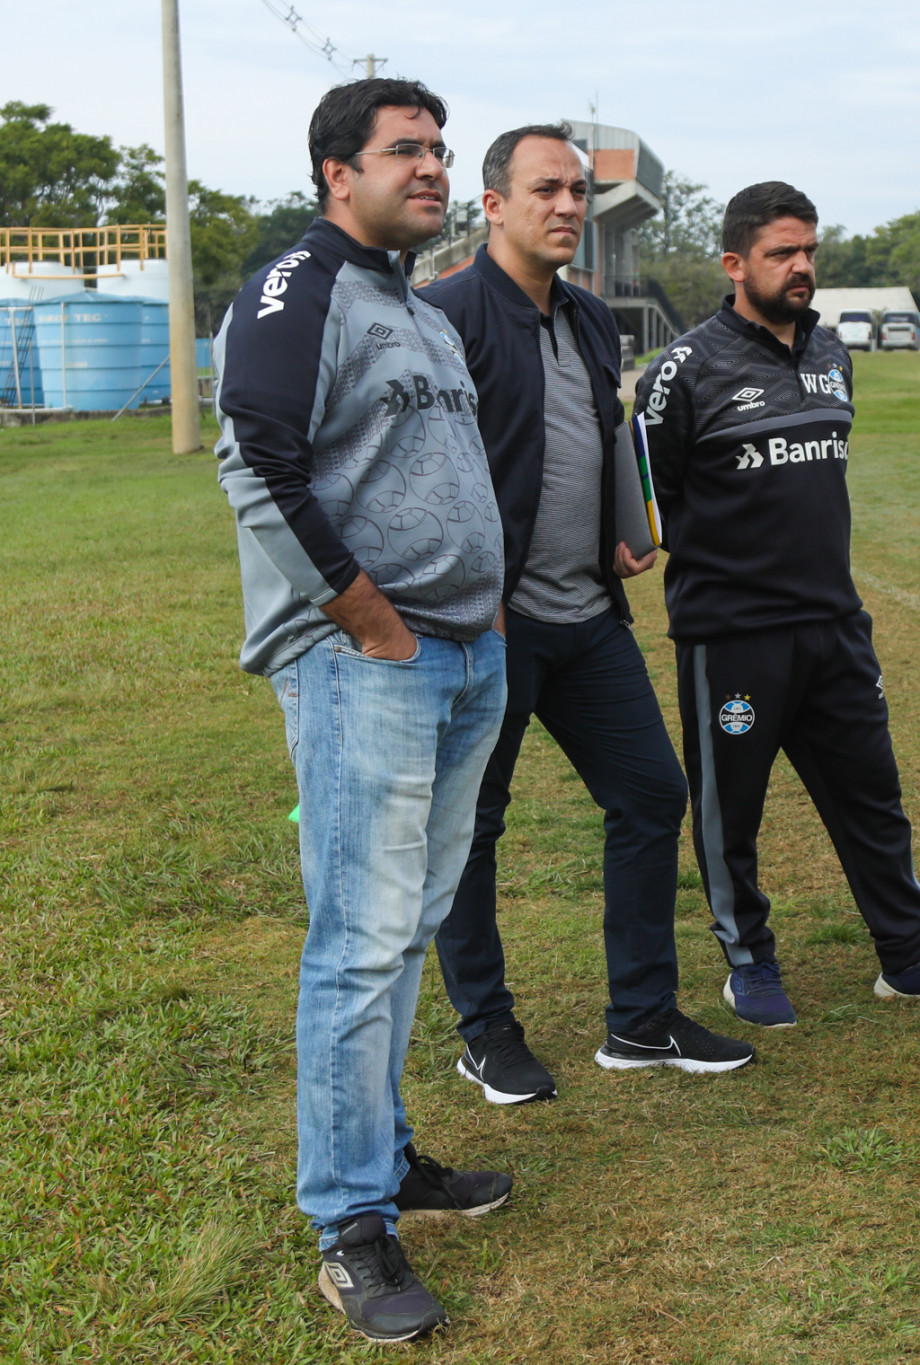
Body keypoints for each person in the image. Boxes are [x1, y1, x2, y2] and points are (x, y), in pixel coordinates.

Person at [215, 78, 511, 1343]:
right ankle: (349, 1224)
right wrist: (368, 618)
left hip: (462, 656)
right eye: (408, 151)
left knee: (405, 930)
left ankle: (386, 1161)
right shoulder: (302, 285)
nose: (433, 168)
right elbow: (256, 455)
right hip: (366, 665)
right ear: (339, 172)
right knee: (357, 938)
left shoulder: (415, 304)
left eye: (441, 149)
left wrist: (479, 611)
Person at [419, 124, 753, 1097]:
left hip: (586, 615)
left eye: (577, 189)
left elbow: (604, 434)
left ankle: (642, 1021)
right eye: (545, 189)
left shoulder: (591, 318)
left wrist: (628, 521)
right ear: (493, 206)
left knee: (650, 794)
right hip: (491, 629)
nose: (567, 206)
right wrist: (460, 605)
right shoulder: (443, 316)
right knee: (474, 826)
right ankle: (485, 1029)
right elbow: (418, 477)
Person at [635, 181, 920, 1029]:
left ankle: (907, 955)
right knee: (733, 811)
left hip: (835, 627)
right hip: (732, 637)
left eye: (809, 251)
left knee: (872, 796)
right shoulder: (681, 373)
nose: (801, 266)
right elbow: (647, 504)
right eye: (781, 253)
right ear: (735, 264)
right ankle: (749, 962)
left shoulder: (832, 355)